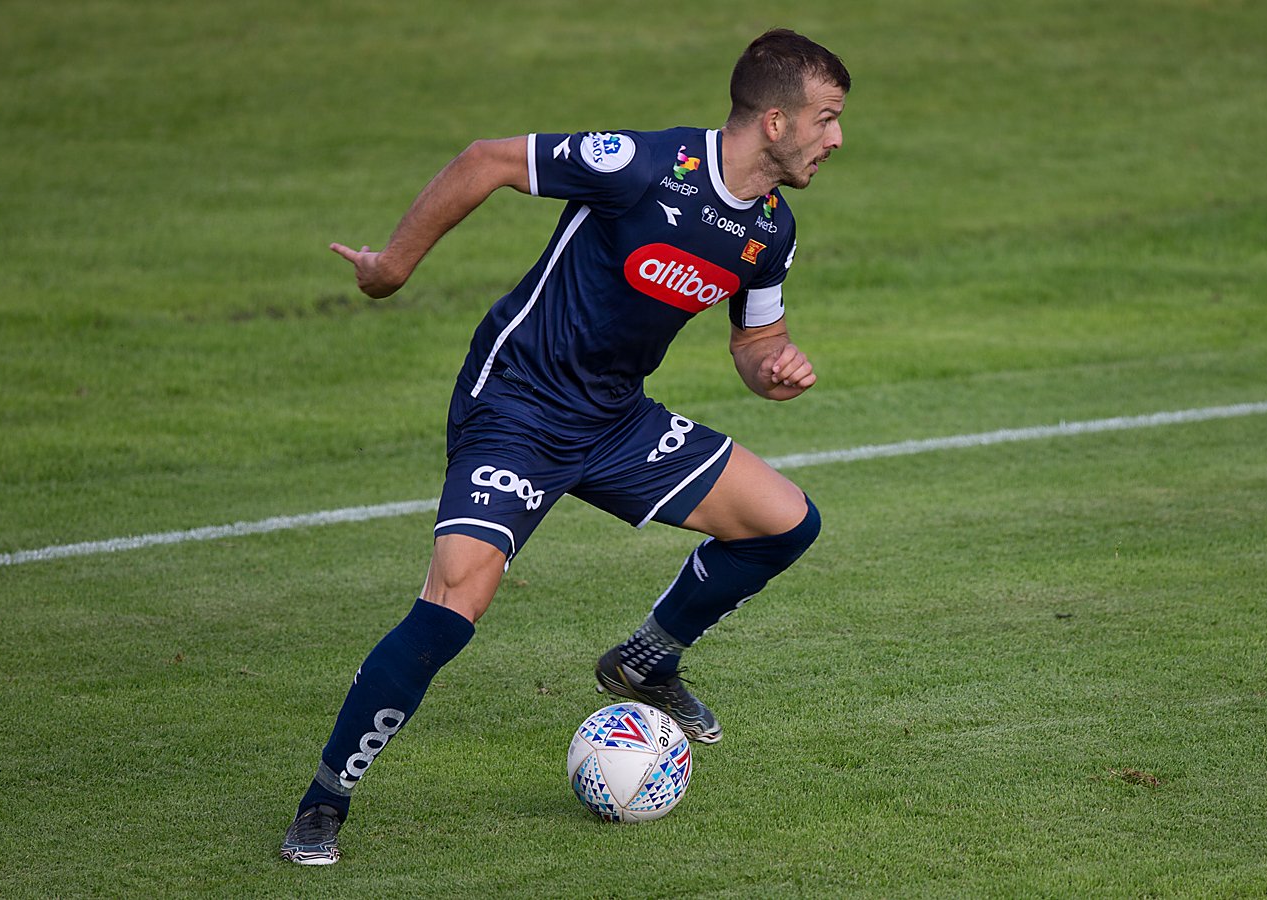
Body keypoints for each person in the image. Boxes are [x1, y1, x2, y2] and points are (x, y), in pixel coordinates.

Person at [280, 28, 850, 865]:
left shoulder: (770, 226)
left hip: (616, 419)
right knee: (456, 601)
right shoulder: (642, 164)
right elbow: (486, 160)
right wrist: (394, 267)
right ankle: (325, 800)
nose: (836, 139)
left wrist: (777, 368)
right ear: (774, 120)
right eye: (827, 119)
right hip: (517, 405)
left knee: (784, 522)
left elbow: (755, 344)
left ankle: (647, 661)